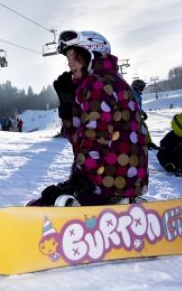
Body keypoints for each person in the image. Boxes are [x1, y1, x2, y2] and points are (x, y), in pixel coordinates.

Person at [29, 30, 148, 207]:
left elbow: (96, 137)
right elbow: (81, 140)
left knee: (37, 208)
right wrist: (68, 106)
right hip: (125, 182)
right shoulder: (113, 81)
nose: (69, 63)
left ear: (92, 55)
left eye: (74, 56)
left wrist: (80, 180)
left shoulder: (97, 84)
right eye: (67, 58)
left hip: (104, 182)